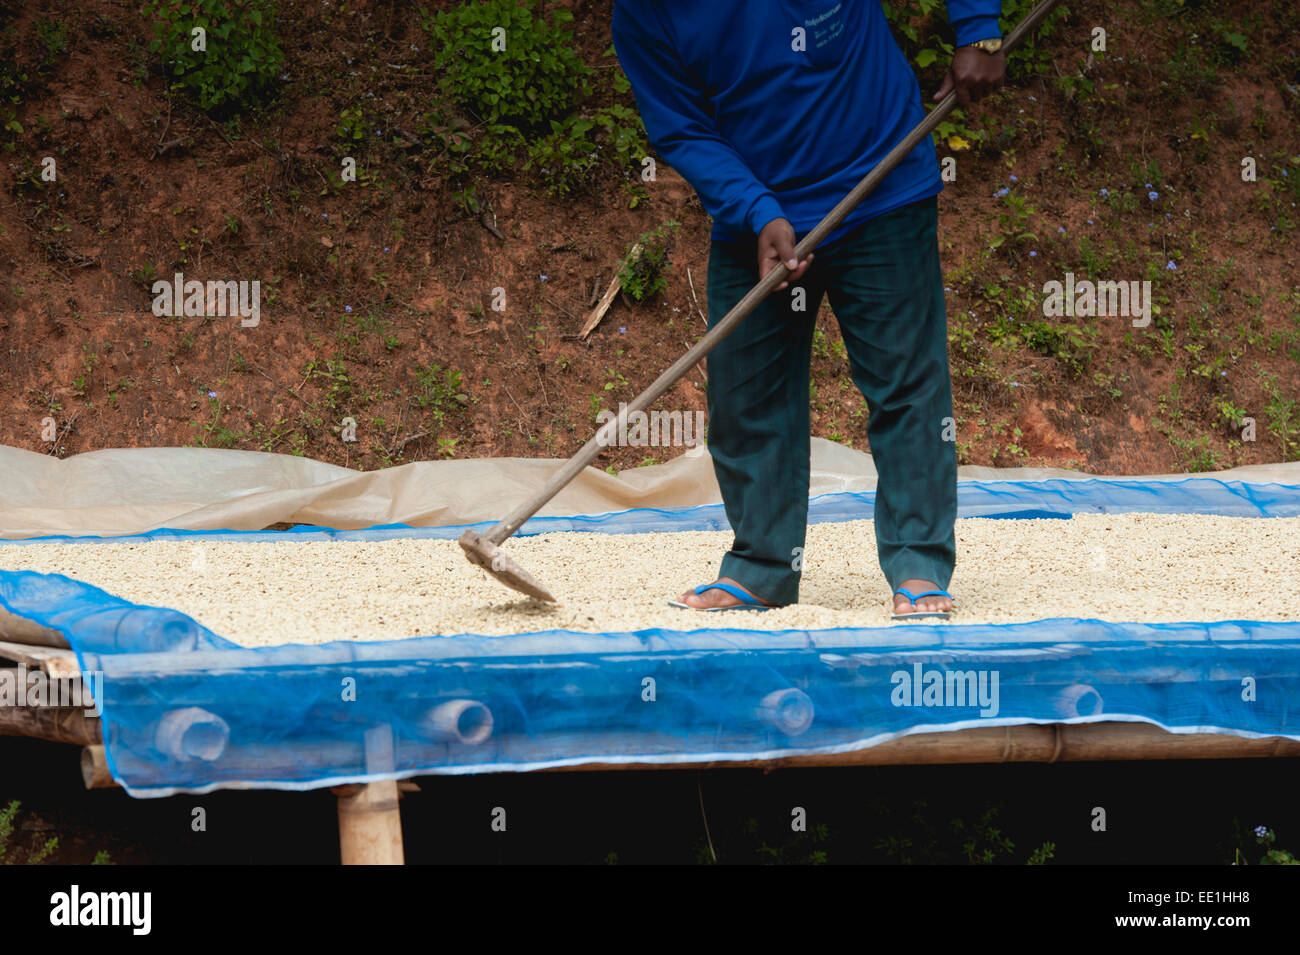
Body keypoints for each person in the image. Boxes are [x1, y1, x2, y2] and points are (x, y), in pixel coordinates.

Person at [612, 1, 1005, 619]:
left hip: (881, 185)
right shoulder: (643, 13)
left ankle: (919, 563)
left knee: (905, 386)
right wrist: (756, 210)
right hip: (755, 216)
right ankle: (763, 568)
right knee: (746, 399)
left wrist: (978, 25)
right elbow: (680, 126)